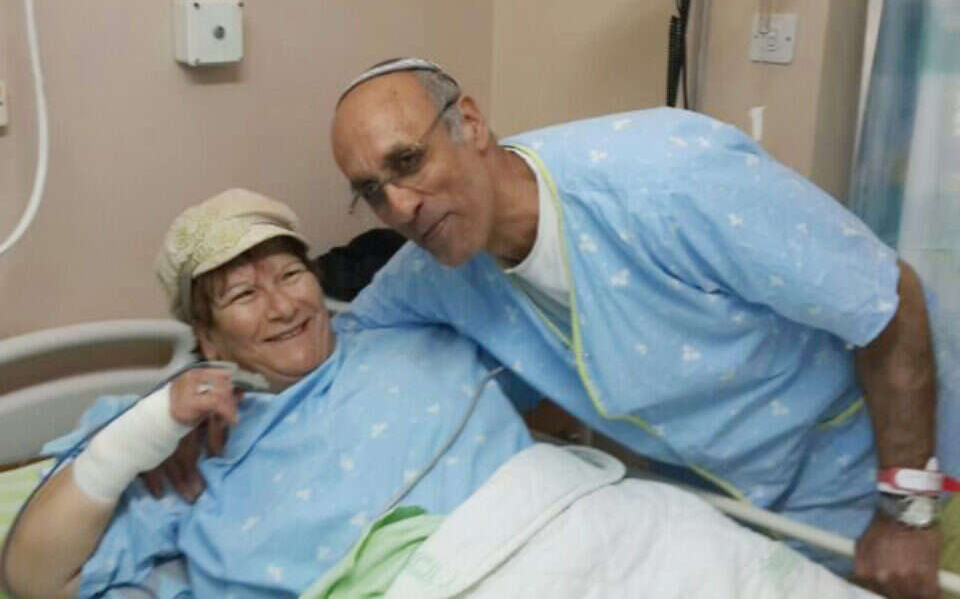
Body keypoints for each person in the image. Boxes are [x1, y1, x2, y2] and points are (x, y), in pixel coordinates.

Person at [330, 58, 944, 599]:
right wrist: (261, 326)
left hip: (880, 470)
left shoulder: (669, 179)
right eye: (372, 192)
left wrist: (908, 509)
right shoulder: (437, 265)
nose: (400, 207)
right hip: (726, 515)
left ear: (469, 122)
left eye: (408, 161)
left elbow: (889, 302)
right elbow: (340, 340)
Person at [0, 188, 532, 599]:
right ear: (207, 338)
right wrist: (149, 429)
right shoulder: (186, 441)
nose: (282, 307)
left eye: (291, 274)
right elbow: (32, 577)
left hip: (541, 543)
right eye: (244, 295)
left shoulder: (408, 327)